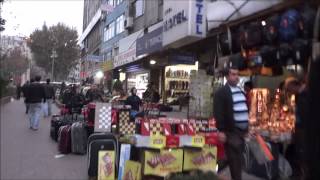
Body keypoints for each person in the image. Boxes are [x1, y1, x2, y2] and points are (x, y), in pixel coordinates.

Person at [213, 66, 249, 180]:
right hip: (231, 132)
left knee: (237, 160)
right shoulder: (221, 92)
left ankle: (222, 169)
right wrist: (221, 130)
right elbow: (218, 113)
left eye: (237, 74)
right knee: (235, 162)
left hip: (242, 133)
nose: (236, 77)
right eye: (233, 74)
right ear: (227, 76)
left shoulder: (240, 90)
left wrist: (248, 127)